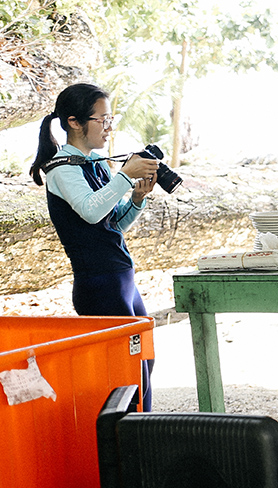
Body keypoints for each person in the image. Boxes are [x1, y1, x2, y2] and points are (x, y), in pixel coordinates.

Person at [29, 82, 160, 411]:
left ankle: (140, 445)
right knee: (125, 379)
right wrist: (125, 178)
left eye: (110, 119)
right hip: (99, 284)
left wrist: (137, 198)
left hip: (122, 279)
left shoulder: (97, 162)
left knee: (145, 366)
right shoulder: (61, 169)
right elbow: (90, 210)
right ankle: (126, 455)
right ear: (75, 122)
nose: (108, 127)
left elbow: (111, 222)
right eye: (102, 120)